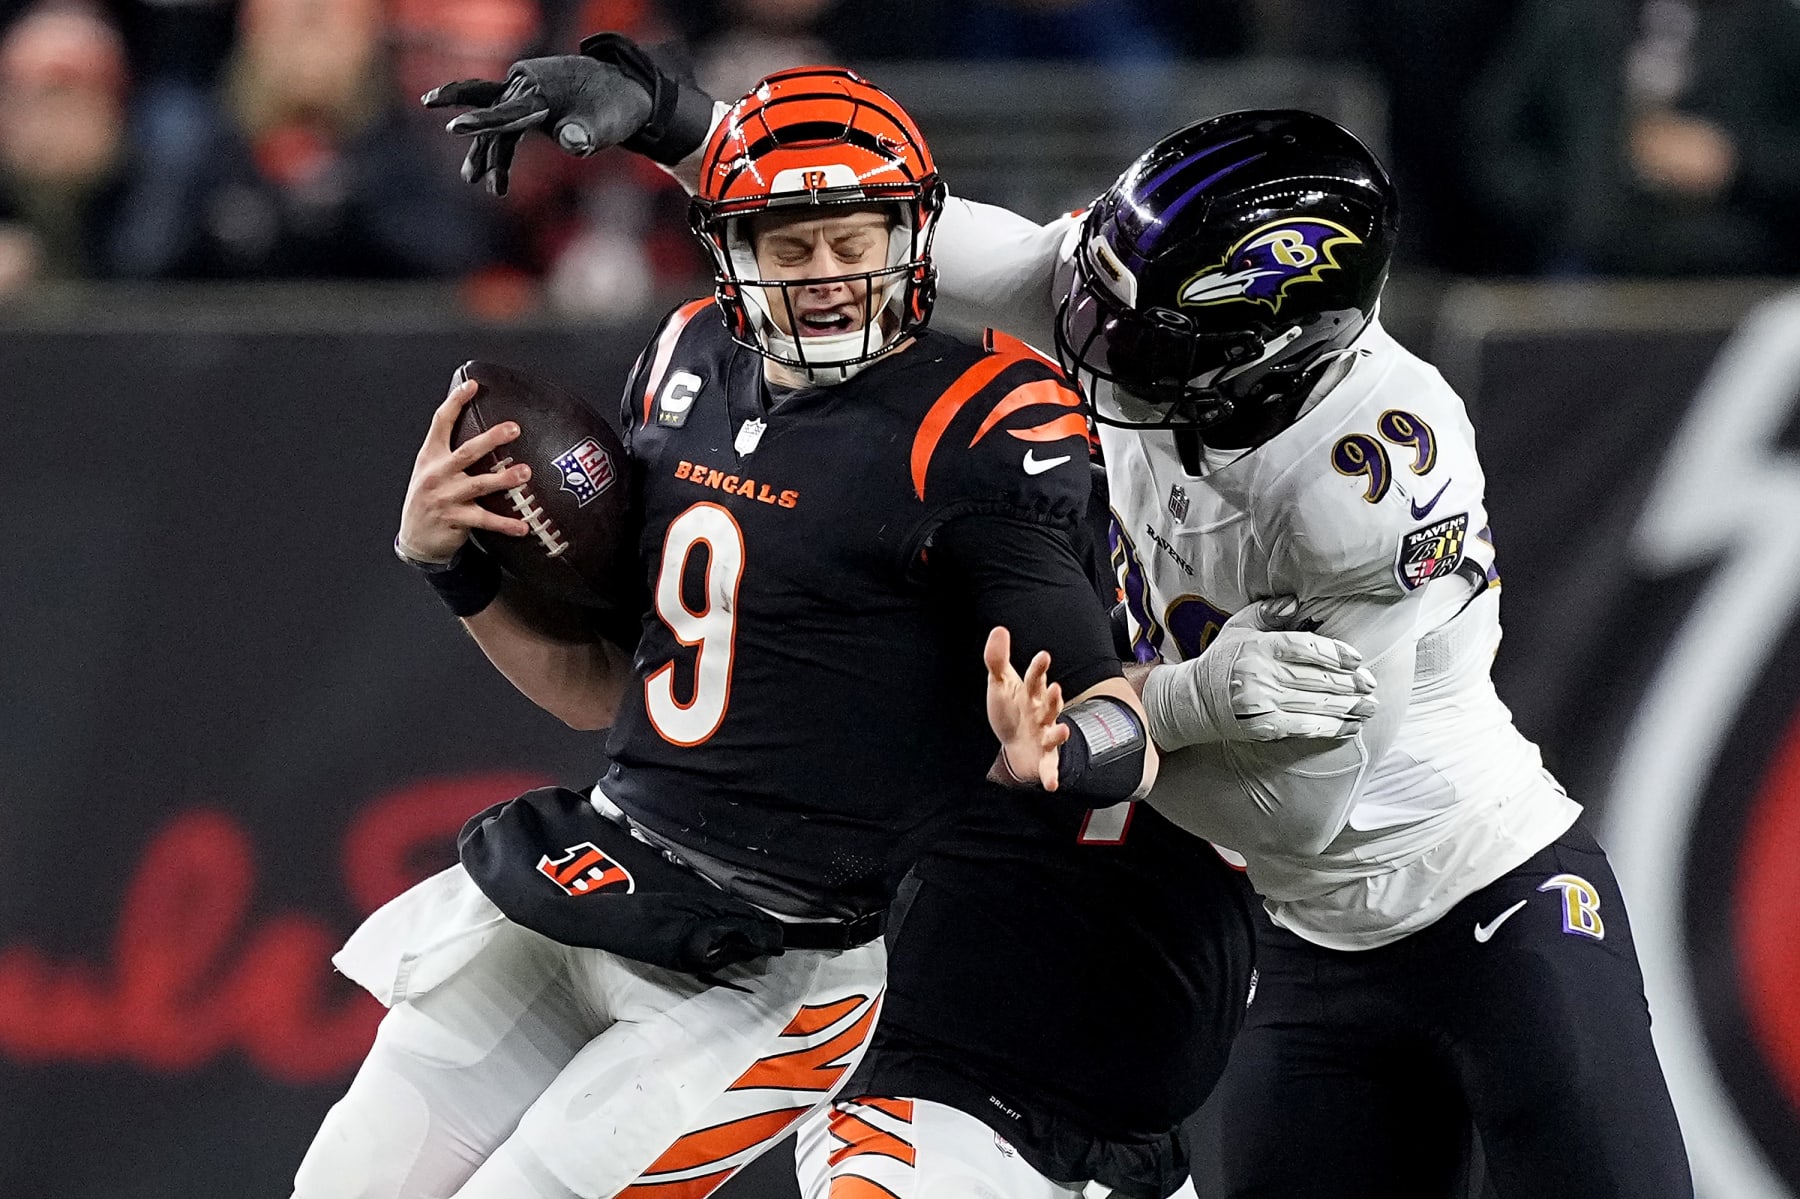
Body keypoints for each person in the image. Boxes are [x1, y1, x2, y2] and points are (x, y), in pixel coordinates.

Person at [432, 52, 1695, 1199]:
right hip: (1303, 940)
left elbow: (1297, 808)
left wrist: (1151, 711)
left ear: (1263, 357)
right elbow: (896, 238)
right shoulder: (1128, 297)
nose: (1082, 346)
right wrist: (676, 117)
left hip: (1482, 900)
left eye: (1132, 338)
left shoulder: (1368, 480)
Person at [294, 67, 1167, 1199]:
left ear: (915, 236)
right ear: (727, 247)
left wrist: (1068, 743)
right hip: (598, 870)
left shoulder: (982, 426)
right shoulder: (684, 360)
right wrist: (451, 566)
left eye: (854, 242)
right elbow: (598, 689)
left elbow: (1121, 721)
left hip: (769, 966)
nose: (827, 280)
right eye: (790, 249)